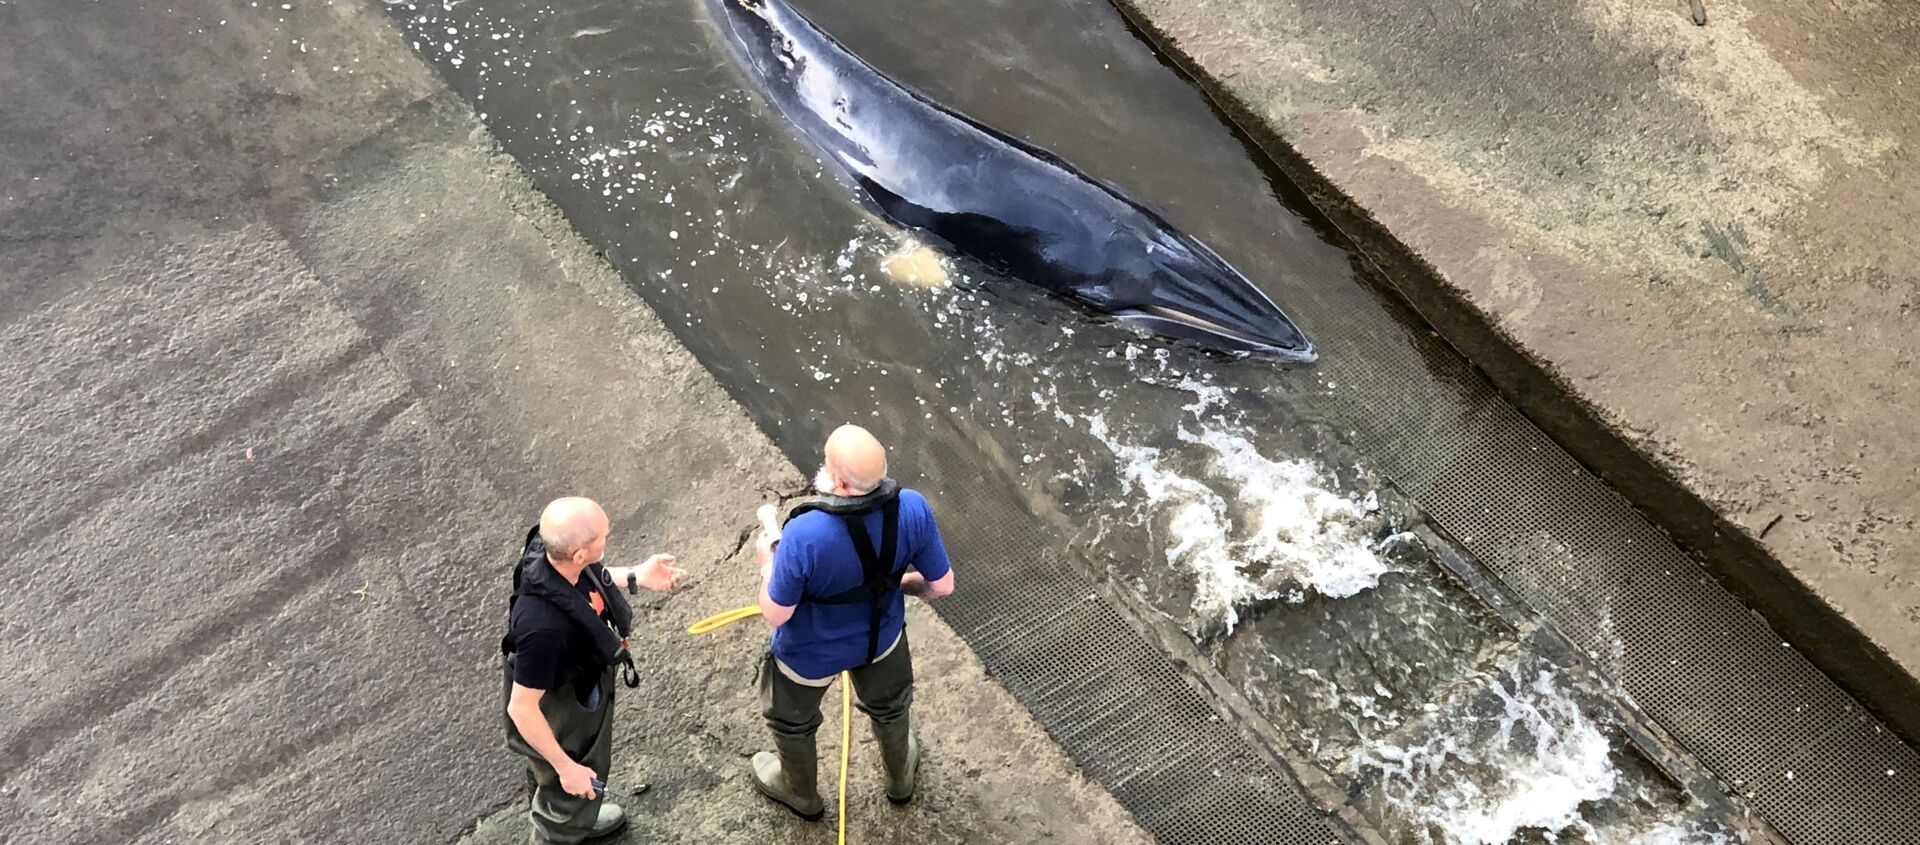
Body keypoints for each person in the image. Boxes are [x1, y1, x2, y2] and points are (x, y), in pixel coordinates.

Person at [749, 425, 956, 819]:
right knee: (892, 708)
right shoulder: (912, 506)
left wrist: (767, 568)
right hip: (882, 641)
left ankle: (801, 793)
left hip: (807, 654)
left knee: (791, 723)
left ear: (838, 481)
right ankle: (900, 779)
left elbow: (775, 614)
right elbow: (942, 586)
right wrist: (900, 584)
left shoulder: (804, 534)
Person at [502, 497, 687, 843]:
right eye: (602, 536)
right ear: (578, 555)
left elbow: (587, 580)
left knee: (575, 779)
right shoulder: (542, 630)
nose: (609, 535)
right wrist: (566, 768)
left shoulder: (553, 556)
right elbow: (521, 709)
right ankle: (565, 823)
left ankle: (577, 818)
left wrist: (636, 575)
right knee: (567, 788)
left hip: (579, 676)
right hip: (558, 705)